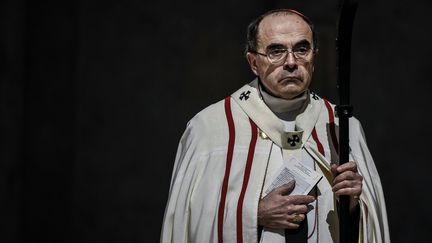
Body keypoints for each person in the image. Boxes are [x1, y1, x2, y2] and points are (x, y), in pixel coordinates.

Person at [160, 9, 389, 243]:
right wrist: (254, 214)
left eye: (301, 49)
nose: (291, 62)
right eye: (276, 51)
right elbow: (187, 219)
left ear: (314, 56)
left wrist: (352, 206)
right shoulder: (209, 127)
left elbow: (370, 227)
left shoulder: (342, 126)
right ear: (253, 63)